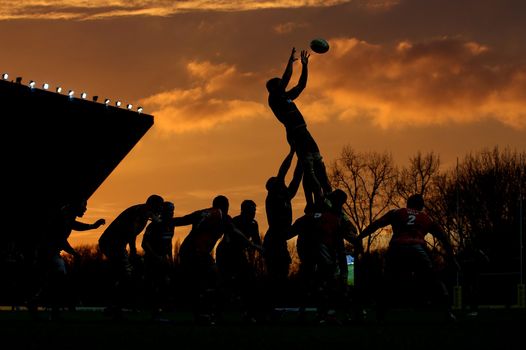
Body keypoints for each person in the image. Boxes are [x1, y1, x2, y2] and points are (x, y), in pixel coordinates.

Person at [356, 193, 459, 322]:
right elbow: (444, 238)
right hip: (418, 248)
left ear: (408, 204)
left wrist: (359, 237)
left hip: (397, 247)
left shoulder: (397, 212)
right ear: (421, 206)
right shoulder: (426, 217)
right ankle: (448, 312)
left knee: (389, 281)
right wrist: (452, 258)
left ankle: (380, 314)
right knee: (434, 280)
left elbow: (376, 224)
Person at [172, 195, 262, 325]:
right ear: (226, 207)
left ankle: (203, 313)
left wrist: (165, 221)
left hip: (187, 250)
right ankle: (207, 312)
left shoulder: (202, 212)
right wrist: (252, 244)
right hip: (200, 252)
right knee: (211, 280)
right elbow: (234, 232)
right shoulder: (223, 216)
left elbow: (182, 220)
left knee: (202, 282)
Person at [266, 47, 332, 212]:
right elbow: (286, 79)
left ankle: (328, 193)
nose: (282, 85)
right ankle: (316, 198)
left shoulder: (286, 97)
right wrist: (290, 62)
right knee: (307, 167)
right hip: (295, 133)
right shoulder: (274, 98)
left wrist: (305, 66)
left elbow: (301, 85)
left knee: (319, 163)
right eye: (279, 84)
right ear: (274, 88)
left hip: (305, 132)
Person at [291, 189, 359, 324]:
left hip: (321, 251)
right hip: (324, 252)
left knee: (318, 283)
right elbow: (350, 232)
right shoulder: (332, 216)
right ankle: (327, 313)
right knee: (328, 283)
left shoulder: (330, 215)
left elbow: (295, 229)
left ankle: (313, 312)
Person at [31, 199, 105, 320]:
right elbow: (61, 239)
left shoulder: (66, 217)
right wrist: (74, 253)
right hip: (48, 252)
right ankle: (46, 307)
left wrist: (93, 226)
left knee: (55, 283)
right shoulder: (62, 218)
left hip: (49, 252)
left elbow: (74, 225)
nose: (85, 209)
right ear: (75, 206)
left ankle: (39, 303)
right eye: (83, 206)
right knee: (58, 281)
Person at [98, 194, 164, 318]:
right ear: (153, 205)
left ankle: (114, 307)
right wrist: (133, 251)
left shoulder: (142, 210)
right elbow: (131, 232)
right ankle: (114, 308)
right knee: (125, 275)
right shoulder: (141, 212)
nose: (160, 210)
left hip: (115, 244)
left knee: (123, 275)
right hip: (112, 243)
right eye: (159, 207)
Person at [262, 146, 303, 316]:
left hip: (282, 237)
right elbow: (283, 171)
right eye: (280, 183)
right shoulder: (273, 197)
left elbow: (295, 179)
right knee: (274, 274)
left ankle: (277, 304)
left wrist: (302, 160)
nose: (283, 183)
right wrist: (293, 152)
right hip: (273, 239)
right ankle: (268, 306)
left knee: (283, 271)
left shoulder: (286, 195)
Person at [216, 199, 263, 322]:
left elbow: (257, 241)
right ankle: (217, 312)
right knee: (225, 282)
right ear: (243, 211)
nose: (253, 213)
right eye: (250, 211)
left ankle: (248, 312)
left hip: (238, 254)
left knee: (249, 281)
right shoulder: (235, 221)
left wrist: (262, 251)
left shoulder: (254, 224)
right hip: (226, 253)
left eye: (254, 211)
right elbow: (229, 239)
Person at [141, 200, 176, 321]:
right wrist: (156, 257)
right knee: (155, 286)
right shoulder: (154, 225)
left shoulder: (171, 225)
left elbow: (169, 242)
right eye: (168, 211)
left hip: (163, 260)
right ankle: (154, 314)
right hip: (152, 260)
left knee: (164, 286)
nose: (171, 214)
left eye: (172, 211)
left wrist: (170, 258)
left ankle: (159, 312)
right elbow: (144, 243)